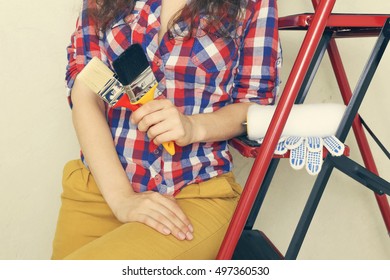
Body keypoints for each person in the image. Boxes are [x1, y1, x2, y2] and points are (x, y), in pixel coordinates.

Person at [52, 0, 280, 260]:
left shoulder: (255, 4)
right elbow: (85, 87)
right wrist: (122, 199)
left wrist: (193, 127)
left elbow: (254, 106)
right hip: (100, 189)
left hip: (193, 195)